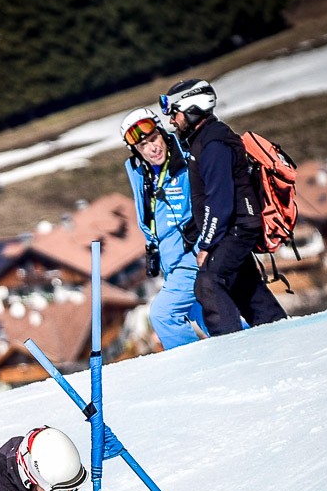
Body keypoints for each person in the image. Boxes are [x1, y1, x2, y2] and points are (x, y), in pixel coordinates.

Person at [160, 79, 288, 336]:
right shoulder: (203, 140)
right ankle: (279, 330)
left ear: (192, 109)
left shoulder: (214, 144)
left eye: (175, 113)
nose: (172, 121)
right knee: (244, 285)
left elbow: (219, 201)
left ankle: (229, 348)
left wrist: (207, 245)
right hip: (233, 227)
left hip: (238, 227)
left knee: (208, 282)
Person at [120, 107, 206, 350]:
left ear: (163, 133)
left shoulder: (185, 162)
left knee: (163, 314)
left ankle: (198, 366)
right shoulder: (142, 174)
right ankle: (249, 343)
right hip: (171, 263)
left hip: (192, 257)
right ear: (136, 150)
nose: (152, 148)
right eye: (143, 145)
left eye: (154, 138)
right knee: (208, 316)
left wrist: (204, 246)